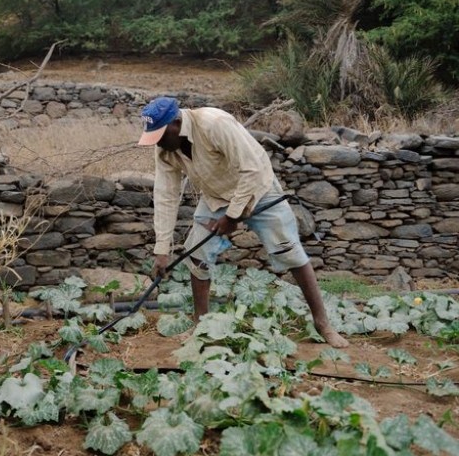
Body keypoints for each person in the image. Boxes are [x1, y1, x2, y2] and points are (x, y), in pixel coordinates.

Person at [138, 96, 348, 348]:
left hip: (258, 190)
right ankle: (201, 326)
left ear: (176, 123)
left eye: (161, 135)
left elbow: (252, 169)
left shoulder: (214, 123)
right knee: (198, 257)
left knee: (290, 251)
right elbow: (165, 194)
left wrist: (233, 215)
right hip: (216, 197)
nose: (158, 142)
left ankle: (323, 323)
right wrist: (162, 250)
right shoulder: (165, 148)